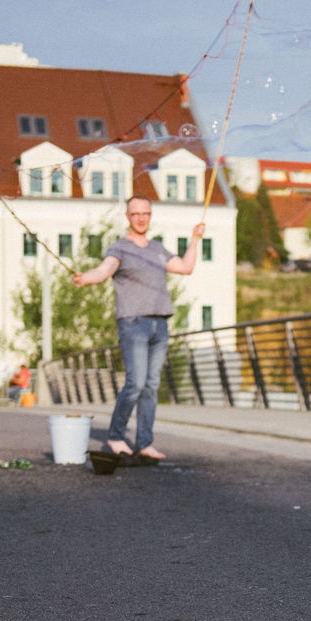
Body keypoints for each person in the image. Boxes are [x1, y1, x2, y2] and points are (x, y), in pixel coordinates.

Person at [73, 196, 205, 460]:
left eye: (145, 213)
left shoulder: (157, 248)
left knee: (151, 385)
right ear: (127, 217)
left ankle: (145, 443)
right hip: (133, 323)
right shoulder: (119, 248)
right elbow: (104, 270)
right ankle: (115, 436)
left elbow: (185, 268)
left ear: (150, 215)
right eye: (136, 214)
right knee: (135, 383)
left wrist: (195, 239)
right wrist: (86, 278)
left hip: (160, 323)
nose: (141, 218)